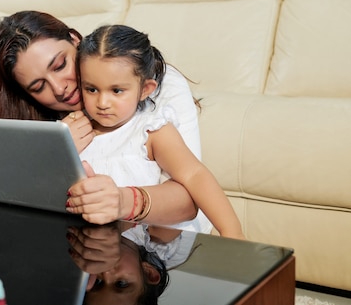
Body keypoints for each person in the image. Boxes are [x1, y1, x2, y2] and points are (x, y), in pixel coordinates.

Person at [0, 10, 198, 226]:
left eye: (60, 65)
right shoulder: (42, 121)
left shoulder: (160, 85)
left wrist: (125, 201)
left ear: (75, 40)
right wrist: (53, 154)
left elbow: (191, 197)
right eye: (39, 87)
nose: (60, 88)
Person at [68, 24, 244, 239]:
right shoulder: (72, 130)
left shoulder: (151, 130)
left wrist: (231, 232)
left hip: (144, 250)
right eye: (92, 89)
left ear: (145, 90)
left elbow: (195, 175)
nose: (103, 102)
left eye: (117, 90)